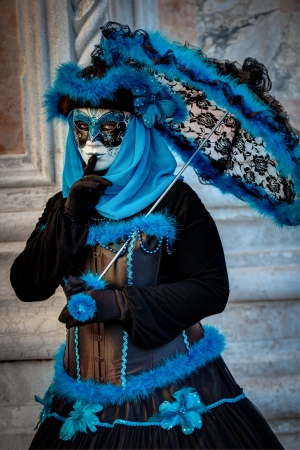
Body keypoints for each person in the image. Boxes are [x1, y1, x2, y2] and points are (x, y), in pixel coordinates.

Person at [10, 22, 292, 449]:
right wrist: (71, 217)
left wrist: (121, 303)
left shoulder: (174, 201)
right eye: (82, 130)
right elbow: (27, 285)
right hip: (81, 399)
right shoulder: (64, 204)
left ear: (137, 130)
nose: (92, 146)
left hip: (168, 392)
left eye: (109, 130)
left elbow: (212, 289)